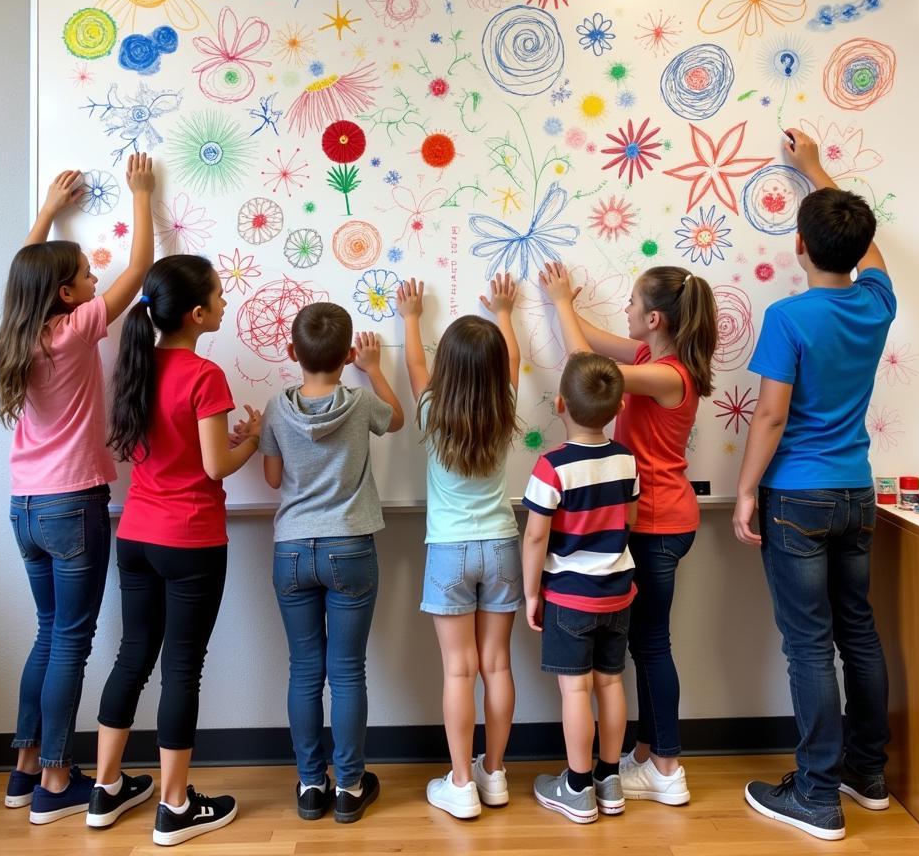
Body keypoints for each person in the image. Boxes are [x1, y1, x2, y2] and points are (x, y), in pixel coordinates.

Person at [733, 128, 896, 842]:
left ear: (798, 247)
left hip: (797, 497)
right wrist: (813, 170)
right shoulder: (876, 304)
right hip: (857, 494)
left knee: (809, 645)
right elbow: (873, 253)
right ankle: (868, 774)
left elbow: (769, 416)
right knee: (857, 632)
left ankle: (816, 795)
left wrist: (744, 493)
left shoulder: (787, 317)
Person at [0, 155, 155, 822]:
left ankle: (27, 767)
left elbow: (24, 274)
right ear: (66, 294)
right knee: (69, 640)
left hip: (25, 506)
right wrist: (144, 195)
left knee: (48, 632)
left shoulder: (21, 330)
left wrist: (48, 216)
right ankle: (59, 780)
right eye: (87, 275)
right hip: (71, 502)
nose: (96, 280)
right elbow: (140, 269)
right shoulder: (77, 326)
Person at [90, 254, 261, 846]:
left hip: (135, 534)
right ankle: (174, 805)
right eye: (217, 295)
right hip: (189, 540)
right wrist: (253, 441)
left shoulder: (135, 364)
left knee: (131, 657)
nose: (222, 302)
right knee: (181, 669)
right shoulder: (204, 376)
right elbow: (215, 466)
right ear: (196, 314)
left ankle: (104, 790)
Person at [538, 260, 717, 806]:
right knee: (642, 646)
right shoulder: (649, 356)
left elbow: (584, 363)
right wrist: (561, 302)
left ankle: (666, 767)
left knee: (650, 646)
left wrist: (565, 301)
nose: (627, 310)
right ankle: (648, 753)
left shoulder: (669, 376)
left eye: (634, 304)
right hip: (650, 520)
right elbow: (593, 341)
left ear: (656, 317)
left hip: (656, 523)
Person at [260, 302, 403, 825]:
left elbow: (274, 481)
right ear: (347, 356)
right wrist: (376, 369)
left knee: (304, 671)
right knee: (347, 673)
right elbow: (400, 419)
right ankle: (348, 787)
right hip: (350, 546)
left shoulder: (276, 409)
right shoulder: (362, 401)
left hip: (292, 550)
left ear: (292, 352)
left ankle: (310, 785)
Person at [396, 274, 522, 819]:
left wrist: (409, 318)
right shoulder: (506, 407)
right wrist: (505, 314)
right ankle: (494, 774)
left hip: (448, 550)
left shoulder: (431, 412)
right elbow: (511, 358)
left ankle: (462, 782)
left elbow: (415, 369)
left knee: (458, 671)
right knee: (497, 665)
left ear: (446, 369)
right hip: (501, 545)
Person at [522, 351, 639, 824]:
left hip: (570, 596)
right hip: (618, 590)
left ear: (559, 404)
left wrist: (532, 593)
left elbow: (535, 535)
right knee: (610, 683)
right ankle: (609, 779)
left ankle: (576, 786)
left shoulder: (552, 467)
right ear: (620, 407)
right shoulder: (626, 460)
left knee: (575, 692)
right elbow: (628, 519)